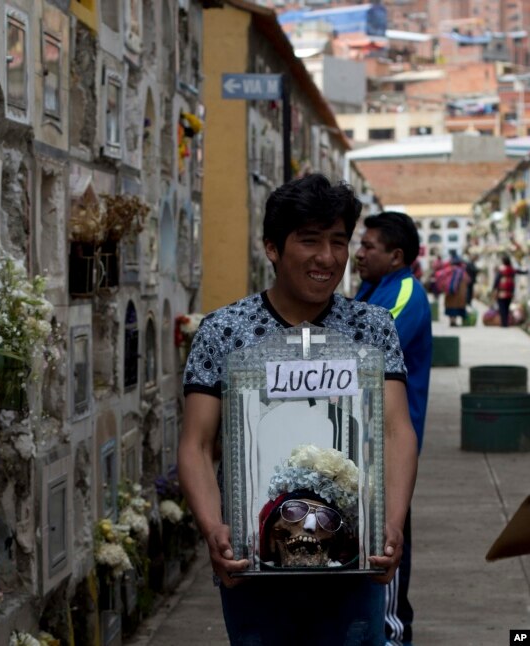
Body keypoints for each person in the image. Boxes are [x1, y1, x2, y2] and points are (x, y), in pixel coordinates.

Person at [178, 174, 418, 645]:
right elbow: (197, 443)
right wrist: (214, 530)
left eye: (338, 241)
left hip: (352, 564)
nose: (327, 258)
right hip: (256, 563)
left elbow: (395, 431)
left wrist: (389, 525)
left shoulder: (372, 328)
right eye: (309, 241)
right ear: (272, 247)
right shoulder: (225, 331)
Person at [354, 211, 432, 646]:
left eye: (368, 247)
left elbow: (361, 355)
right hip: (367, 436)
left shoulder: (402, 295)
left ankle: (393, 633)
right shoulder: (375, 288)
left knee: (389, 536)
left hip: (387, 438)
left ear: (396, 256)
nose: (358, 254)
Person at [492, 256, 527, 327]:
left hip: (502, 292)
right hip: (509, 292)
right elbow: (520, 272)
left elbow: (497, 280)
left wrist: (494, 289)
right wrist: (526, 272)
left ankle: (503, 322)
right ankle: (506, 322)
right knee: (507, 307)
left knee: (502, 308)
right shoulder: (512, 270)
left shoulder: (501, 270)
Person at [439, 256, 470, 327]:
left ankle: (451, 321)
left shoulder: (448, 269)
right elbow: (467, 280)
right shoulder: (461, 271)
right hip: (458, 293)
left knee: (450, 307)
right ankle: (454, 321)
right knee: (455, 307)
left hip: (449, 292)